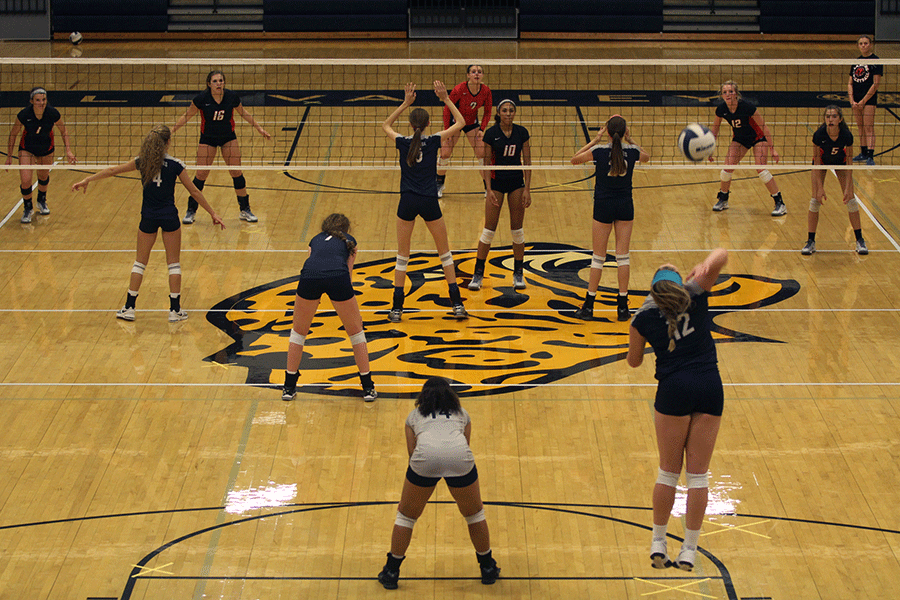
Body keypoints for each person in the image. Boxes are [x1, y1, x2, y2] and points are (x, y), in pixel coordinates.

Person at [627, 248, 729, 572]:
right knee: (698, 477)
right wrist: (703, 266)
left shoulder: (643, 317)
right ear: (679, 284)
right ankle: (689, 550)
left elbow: (633, 360)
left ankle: (658, 541)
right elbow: (722, 253)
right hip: (709, 388)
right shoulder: (695, 294)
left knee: (668, 472)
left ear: (654, 290)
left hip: (673, 391)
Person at [72, 125, 225, 322]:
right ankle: (174, 310)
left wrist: (88, 179)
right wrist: (213, 213)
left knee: (140, 262)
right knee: (174, 264)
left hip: (148, 217)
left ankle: (129, 307)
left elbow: (111, 171)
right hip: (169, 216)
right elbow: (194, 191)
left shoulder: (142, 162)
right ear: (168, 142)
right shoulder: (176, 165)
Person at [377, 376, 500, 590]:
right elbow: (465, 443)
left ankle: (391, 571)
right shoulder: (463, 414)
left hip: (425, 458)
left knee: (406, 517)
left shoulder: (413, 416)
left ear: (423, 397)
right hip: (459, 456)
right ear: (450, 396)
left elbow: (411, 453)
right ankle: (487, 567)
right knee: (474, 515)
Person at [382, 81, 469, 322]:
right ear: (429, 124)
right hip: (429, 201)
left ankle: (397, 309)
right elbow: (461, 123)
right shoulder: (434, 141)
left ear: (411, 125)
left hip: (407, 201)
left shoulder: (402, 142)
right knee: (445, 255)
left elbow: (385, 125)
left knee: (402, 256)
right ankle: (457, 305)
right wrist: (446, 99)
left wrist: (405, 103)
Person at [282, 213, 376, 402]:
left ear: (324, 227)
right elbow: (347, 276)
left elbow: (312, 262)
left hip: (309, 277)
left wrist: (314, 299)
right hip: (338, 277)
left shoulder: (314, 240)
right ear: (346, 229)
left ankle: (288, 387)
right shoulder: (351, 242)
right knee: (357, 333)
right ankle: (367, 388)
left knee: (298, 333)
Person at [570, 115, 649, 322]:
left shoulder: (599, 151)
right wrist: (630, 141)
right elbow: (646, 156)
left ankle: (589, 305)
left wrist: (596, 139)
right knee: (623, 256)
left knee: (598, 257)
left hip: (603, 206)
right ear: (624, 132)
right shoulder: (632, 152)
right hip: (625, 206)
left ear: (607, 131)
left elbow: (574, 158)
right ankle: (623, 307)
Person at [172, 70, 271, 224]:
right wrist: (171, 131)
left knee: (236, 172)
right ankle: (191, 211)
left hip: (228, 138)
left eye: (221, 81)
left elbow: (243, 113)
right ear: (209, 84)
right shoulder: (201, 99)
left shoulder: (231, 97)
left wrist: (259, 128)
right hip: (208, 139)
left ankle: (245, 209)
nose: (219, 84)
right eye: (215, 81)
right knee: (201, 174)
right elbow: (187, 116)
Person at [469, 99, 532, 291]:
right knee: (489, 230)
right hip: (496, 183)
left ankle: (518, 273)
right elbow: (487, 164)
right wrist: (488, 189)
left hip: (516, 183)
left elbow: (528, 163)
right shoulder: (492, 134)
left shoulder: (521, 133)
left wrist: (527, 189)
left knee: (517, 230)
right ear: (499, 113)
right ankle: (478, 274)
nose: (508, 113)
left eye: (511, 110)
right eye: (504, 110)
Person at [709, 80, 786, 217]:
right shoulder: (721, 109)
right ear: (721, 95)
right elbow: (715, 129)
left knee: (761, 170)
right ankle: (723, 199)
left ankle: (779, 202)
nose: (728, 95)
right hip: (740, 139)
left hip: (758, 138)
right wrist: (709, 149)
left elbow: (764, 127)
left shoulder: (747, 107)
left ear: (736, 94)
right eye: (725, 92)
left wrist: (772, 148)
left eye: (731, 92)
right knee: (726, 169)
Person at [5, 87, 76, 224]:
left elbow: (64, 130)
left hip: (46, 148)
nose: (41, 103)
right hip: (27, 149)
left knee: (43, 176)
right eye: (38, 100)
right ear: (32, 101)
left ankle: (41, 201)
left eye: (43, 100)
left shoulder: (52, 113)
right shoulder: (24, 114)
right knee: (26, 180)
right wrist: (9, 156)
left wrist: (68, 151)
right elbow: (13, 134)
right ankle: (27, 208)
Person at [804, 106, 868, 256]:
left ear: (840, 119)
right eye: (827, 117)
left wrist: (847, 187)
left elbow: (850, 162)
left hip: (841, 163)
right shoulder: (819, 135)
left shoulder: (846, 135)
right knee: (815, 200)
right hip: (821, 163)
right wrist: (820, 187)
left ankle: (860, 240)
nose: (830, 119)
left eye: (833, 117)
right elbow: (817, 161)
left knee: (851, 199)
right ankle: (810, 241)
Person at [435, 65, 493, 198]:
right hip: (455, 123)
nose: (476, 74)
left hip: (472, 123)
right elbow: (447, 109)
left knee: (481, 153)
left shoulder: (486, 91)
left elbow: (488, 112)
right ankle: (438, 185)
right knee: (445, 153)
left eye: (479, 72)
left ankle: (488, 188)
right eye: (473, 72)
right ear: (468, 75)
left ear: (482, 75)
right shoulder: (459, 89)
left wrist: (482, 129)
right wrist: (447, 130)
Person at [848, 35, 882, 166]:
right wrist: (852, 100)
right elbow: (850, 82)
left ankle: (870, 155)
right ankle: (862, 153)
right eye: (861, 44)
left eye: (865, 43)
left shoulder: (876, 61)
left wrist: (863, 101)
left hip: (868, 99)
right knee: (860, 126)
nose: (863, 46)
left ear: (871, 44)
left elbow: (876, 84)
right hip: (855, 99)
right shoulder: (856, 61)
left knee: (868, 127)